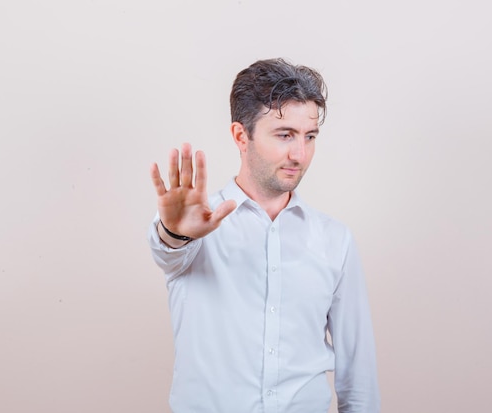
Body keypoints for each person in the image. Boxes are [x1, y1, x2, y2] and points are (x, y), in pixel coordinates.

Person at [148, 58, 380, 413]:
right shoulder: (197, 225)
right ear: (241, 136)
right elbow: (167, 251)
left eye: (310, 136)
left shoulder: (335, 241)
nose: (299, 154)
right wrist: (176, 234)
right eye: (285, 135)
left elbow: (358, 377)